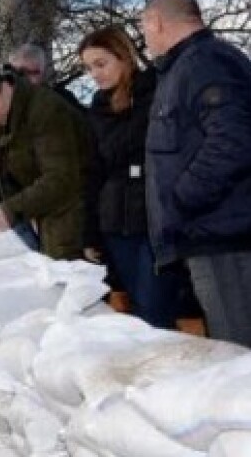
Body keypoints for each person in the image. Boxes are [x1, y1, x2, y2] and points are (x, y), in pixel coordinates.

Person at [140, 0, 251, 348]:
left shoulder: (204, 63)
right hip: (211, 233)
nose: (145, 39)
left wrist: (182, 199)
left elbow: (234, 140)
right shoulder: (188, 66)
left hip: (223, 237)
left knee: (239, 354)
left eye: (144, 28)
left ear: (156, 22)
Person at [79, 25, 184, 329]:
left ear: (124, 57)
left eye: (101, 64)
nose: (95, 74)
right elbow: (93, 172)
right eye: (88, 68)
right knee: (138, 311)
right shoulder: (97, 108)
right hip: (115, 223)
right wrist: (90, 233)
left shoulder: (157, 91)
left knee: (156, 310)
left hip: (156, 219)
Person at [0, 63, 88, 259]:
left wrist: (10, 210)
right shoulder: (8, 119)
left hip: (76, 213)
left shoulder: (46, 110)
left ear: (4, 87)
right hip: (48, 214)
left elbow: (60, 178)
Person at [9, 43, 84, 110]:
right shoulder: (3, 102)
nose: (27, 79)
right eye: (21, 72)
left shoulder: (62, 99)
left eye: (34, 73)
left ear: (43, 72)